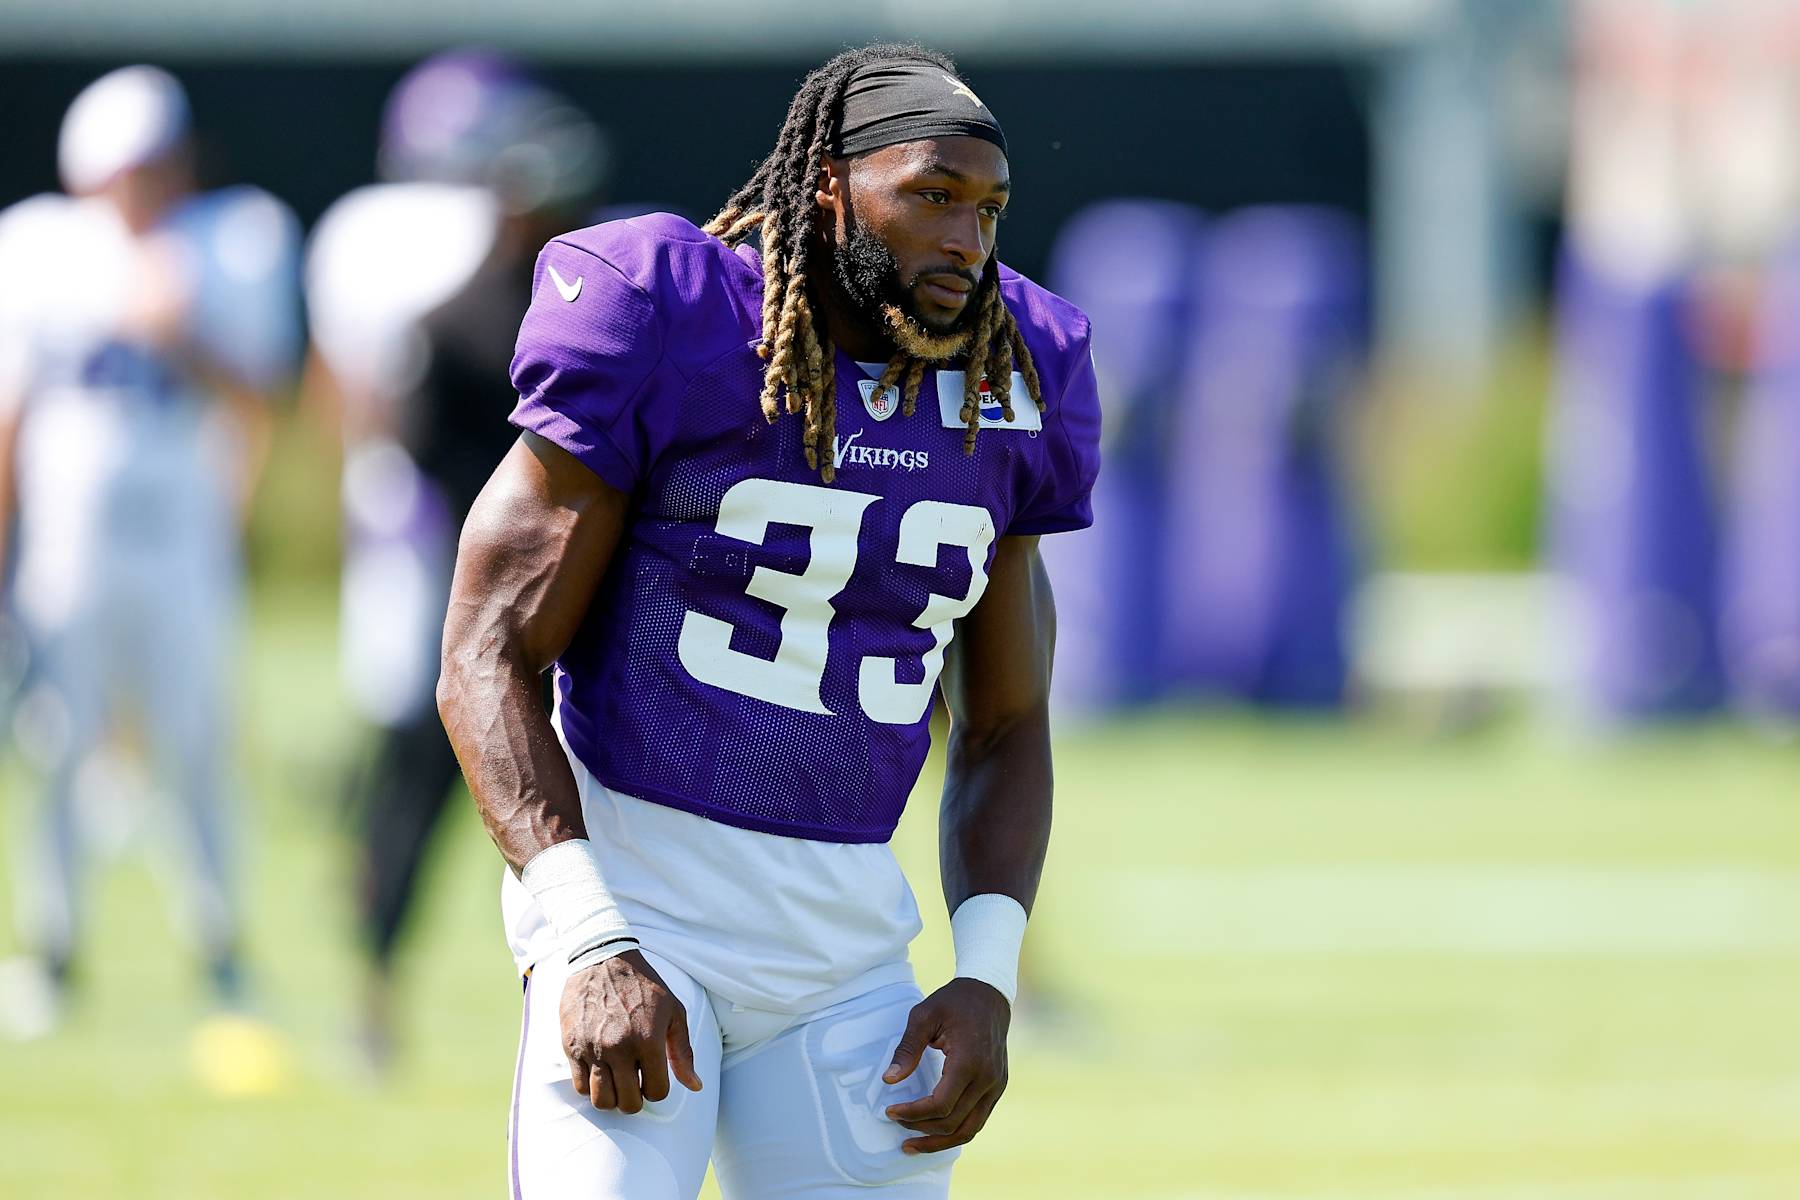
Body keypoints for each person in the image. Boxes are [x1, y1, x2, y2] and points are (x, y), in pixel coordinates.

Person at [438, 43, 1101, 1198]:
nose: (966, 241)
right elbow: (485, 648)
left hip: (846, 960)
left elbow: (1004, 722)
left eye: (988, 208)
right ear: (832, 184)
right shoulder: (667, 309)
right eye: (932, 195)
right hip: (642, 916)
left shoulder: (1014, 368)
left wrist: (987, 972)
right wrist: (585, 937)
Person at [303, 50, 608, 1069]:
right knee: (420, 794)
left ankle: (611, 984)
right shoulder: (459, 325)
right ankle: (372, 997)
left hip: (598, 602)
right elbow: (428, 467)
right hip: (480, 603)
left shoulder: (609, 322)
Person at [0, 66, 300, 1052]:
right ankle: (52, 947)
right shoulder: (39, 248)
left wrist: (185, 334)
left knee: (196, 744)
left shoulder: (234, 242)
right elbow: (12, 417)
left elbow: (264, 396)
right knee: (57, 745)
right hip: (67, 544)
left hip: (181, 543)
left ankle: (220, 949)